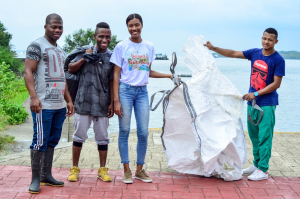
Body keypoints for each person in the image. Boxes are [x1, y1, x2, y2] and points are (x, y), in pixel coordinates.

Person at [204, 28, 285, 181]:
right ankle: (256, 164)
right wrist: (214, 48)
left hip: (267, 103)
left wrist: (256, 93)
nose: (266, 42)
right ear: (261, 38)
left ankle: (263, 170)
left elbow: (276, 84)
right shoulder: (255, 53)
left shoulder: (278, 59)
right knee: (254, 136)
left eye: (270, 40)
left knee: (264, 137)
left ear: (276, 41)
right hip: (252, 103)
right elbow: (233, 53)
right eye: (264, 38)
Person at [110, 13, 178, 184]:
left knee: (143, 132)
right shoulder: (121, 46)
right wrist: (116, 100)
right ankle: (126, 170)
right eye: (130, 26)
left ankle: (140, 169)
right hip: (125, 91)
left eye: (137, 25)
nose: (134, 28)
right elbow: (116, 74)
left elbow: (147, 71)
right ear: (127, 27)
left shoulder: (149, 46)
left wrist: (168, 75)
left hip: (142, 93)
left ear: (142, 25)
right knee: (124, 131)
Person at [24, 13, 74, 194]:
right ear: (45, 26)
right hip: (43, 105)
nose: (57, 30)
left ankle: (47, 175)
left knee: (53, 140)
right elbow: (28, 72)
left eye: (60, 27)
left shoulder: (61, 50)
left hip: (59, 105)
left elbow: (63, 77)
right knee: (39, 141)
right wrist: (34, 97)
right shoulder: (36, 45)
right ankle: (35, 179)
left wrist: (68, 100)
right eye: (54, 26)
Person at [67, 22, 114, 182]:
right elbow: (70, 69)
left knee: (102, 137)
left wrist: (113, 103)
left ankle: (102, 169)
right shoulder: (85, 51)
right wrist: (85, 59)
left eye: (107, 36)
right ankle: (74, 168)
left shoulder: (112, 56)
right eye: (101, 36)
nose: (104, 39)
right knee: (79, 136)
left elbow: (113, 81)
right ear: (95, 36)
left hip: (103, 103)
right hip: (83, 102)